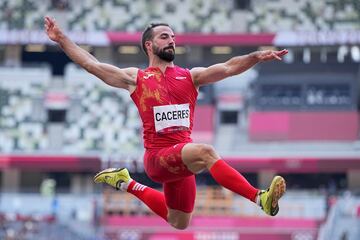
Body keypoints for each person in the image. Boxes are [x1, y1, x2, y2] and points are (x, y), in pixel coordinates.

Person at [44, 17, 287, 230]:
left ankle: (125, 182)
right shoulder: (136, 78)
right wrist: (62, 38)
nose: (171, 40)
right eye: (164, 36)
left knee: (179, 222)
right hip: (158, 158)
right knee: (206, 151)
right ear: (149, 45)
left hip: (181, 156)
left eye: (173, 36)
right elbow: (91, 64)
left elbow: (228, 67)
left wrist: (255, 56)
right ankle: (260, 198)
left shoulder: (191, 77)